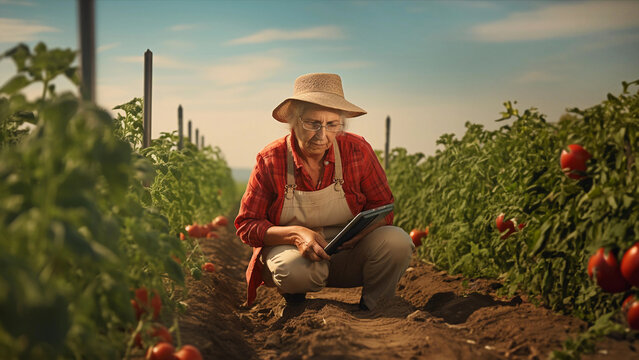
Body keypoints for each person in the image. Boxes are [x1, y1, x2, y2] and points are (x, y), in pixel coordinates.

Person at [234, 73, 414, 311]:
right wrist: (296, 234)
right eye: (312, 123)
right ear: (294, 122)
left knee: (398, 241)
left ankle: (375, 308)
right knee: (292, 271)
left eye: (332, 125)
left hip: (348, 256)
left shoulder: (357, 151)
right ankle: (297, 305)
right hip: (297, 258)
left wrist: (361, 234)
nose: (322, 135)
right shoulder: (271, 159)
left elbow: (383, 207)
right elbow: (247, 225)